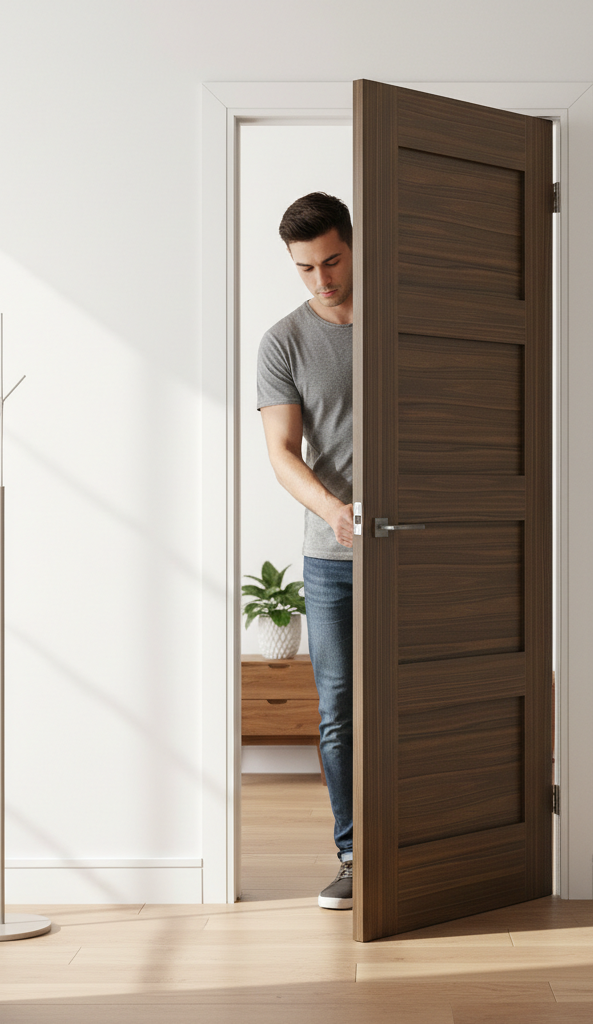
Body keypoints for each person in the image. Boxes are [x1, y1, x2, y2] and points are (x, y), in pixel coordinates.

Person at [256, 192, 355, 910]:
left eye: (331, 261)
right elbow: (283, 453)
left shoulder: (408, 318)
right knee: (339, 707)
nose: (321, 280)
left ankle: (436, 851)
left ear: (353, 245)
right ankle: (354, 855)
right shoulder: (282, 342)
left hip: (421, 545)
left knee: (426, 698)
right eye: (304, 269)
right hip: (333, 556)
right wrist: (333, 509)